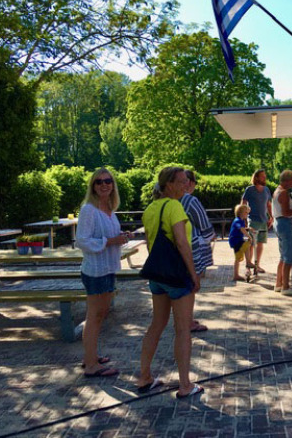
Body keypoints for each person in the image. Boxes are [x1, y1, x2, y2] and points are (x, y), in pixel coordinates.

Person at [138, 167, 202, 399]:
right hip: (176, 275)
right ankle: (185, 385)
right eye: (182, 181)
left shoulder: (150, 209)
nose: (187, 185)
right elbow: (182, 243)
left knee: (157, 324)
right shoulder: (175, 206)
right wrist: (193, 274)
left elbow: (149, 243)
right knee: (183, 329)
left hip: (158, 275)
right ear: (169, 185)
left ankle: (144, 376)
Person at [76, 168, 129, 377]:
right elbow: (82, 240)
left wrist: (121, 236)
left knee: (102, 313)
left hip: (108, 268)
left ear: (113, 185)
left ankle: (90, 356)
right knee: (95, 315)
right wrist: (111, 241)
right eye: (99, 182)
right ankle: (91, 365)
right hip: (95, 270)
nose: (104, 185)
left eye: (108, 181)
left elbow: (107, 236)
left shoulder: (109, 208)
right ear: (93, 186)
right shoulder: (89, 209)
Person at [180, 169, 215, 333]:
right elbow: (204, 224)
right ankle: (187, 322)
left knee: (181, 286)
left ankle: (184, 319)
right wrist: (210, 236)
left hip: (172, 250)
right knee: (190, 286)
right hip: (191, 249)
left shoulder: (165, 199)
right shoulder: (189, 200)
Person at [241, 169, 273, 274]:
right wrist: (243, 218)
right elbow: (243, 203)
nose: (265, 177)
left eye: (265, 176)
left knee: (260, 243)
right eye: (262, 176)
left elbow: (269, 205)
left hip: (263, 220)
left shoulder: (266, 190)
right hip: (252, 220)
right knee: (250, 244)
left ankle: (257, 266)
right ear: (256, 177)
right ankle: (248, 266)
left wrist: (271, 217)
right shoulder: (249, 189)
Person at [228, 204, 257, 282]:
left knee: (239, 257)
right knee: (246, 245)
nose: (247, 214)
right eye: (246, 212)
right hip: (235, 240)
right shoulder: (237, 220)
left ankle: (237, 274)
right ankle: (248, 263)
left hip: (238, 239)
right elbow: (241, 229)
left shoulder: (240, 220)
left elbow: (242, 228)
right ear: (241, 213)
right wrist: (249, 236)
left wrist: (249, 228)